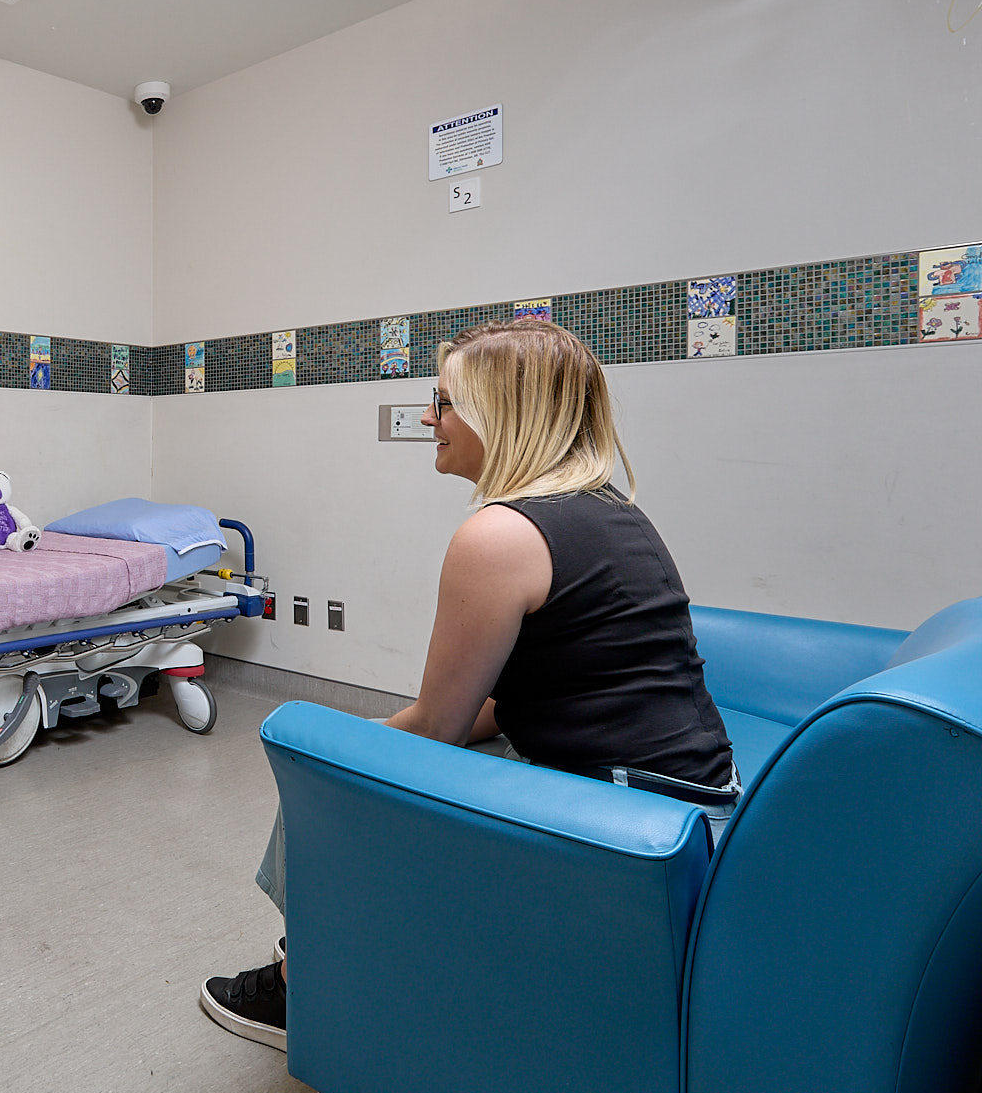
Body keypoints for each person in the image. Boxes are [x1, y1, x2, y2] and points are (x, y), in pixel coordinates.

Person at [200, 319, 736, 1051]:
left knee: (321, 770)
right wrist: (379, 733)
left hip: (624, 828)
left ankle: (305, 987)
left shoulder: (499, 536)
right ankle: (323, 958)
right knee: (352, 751)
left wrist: (329, 750)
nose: (428, 418)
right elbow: (504, 701)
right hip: (696, 807)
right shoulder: (611, 511)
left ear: (500, 414)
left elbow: (437, 732)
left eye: (444, 401)